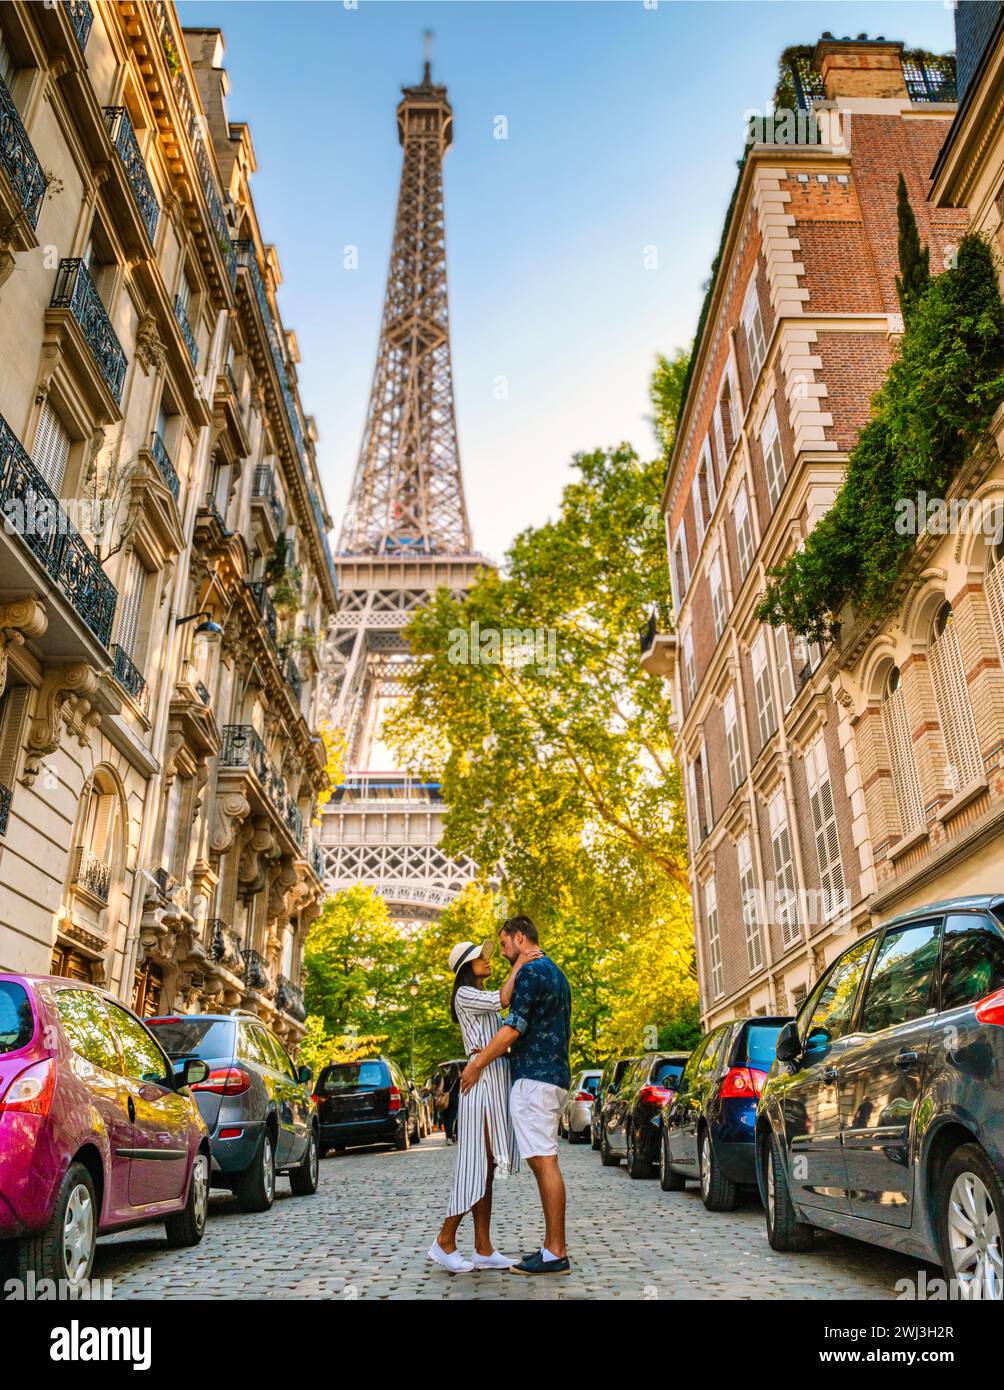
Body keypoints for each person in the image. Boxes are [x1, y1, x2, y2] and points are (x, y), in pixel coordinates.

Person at [460, 915, 572, 1276]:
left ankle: (555, 1251)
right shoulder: (555, 972)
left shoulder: (530, 973)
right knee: (545, 1160)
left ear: (519, 937)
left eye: (505, 944)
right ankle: (552, 1247)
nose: (503, 951)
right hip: (555, 1075)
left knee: (543, 1161)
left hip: (534, 1080)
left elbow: (513, 1027)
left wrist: (477, 1065)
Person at [427, 938, 523, 1275]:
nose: (488, 960)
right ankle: (444, 1239)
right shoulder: (466, 994)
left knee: (489, 1166)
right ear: (468, 965)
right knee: (476, 1164)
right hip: (478, 1080)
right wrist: (522, 963)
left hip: (491, 1078)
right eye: (481, 957)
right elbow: (504, 998)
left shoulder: (476, 995)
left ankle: (483, 1247)